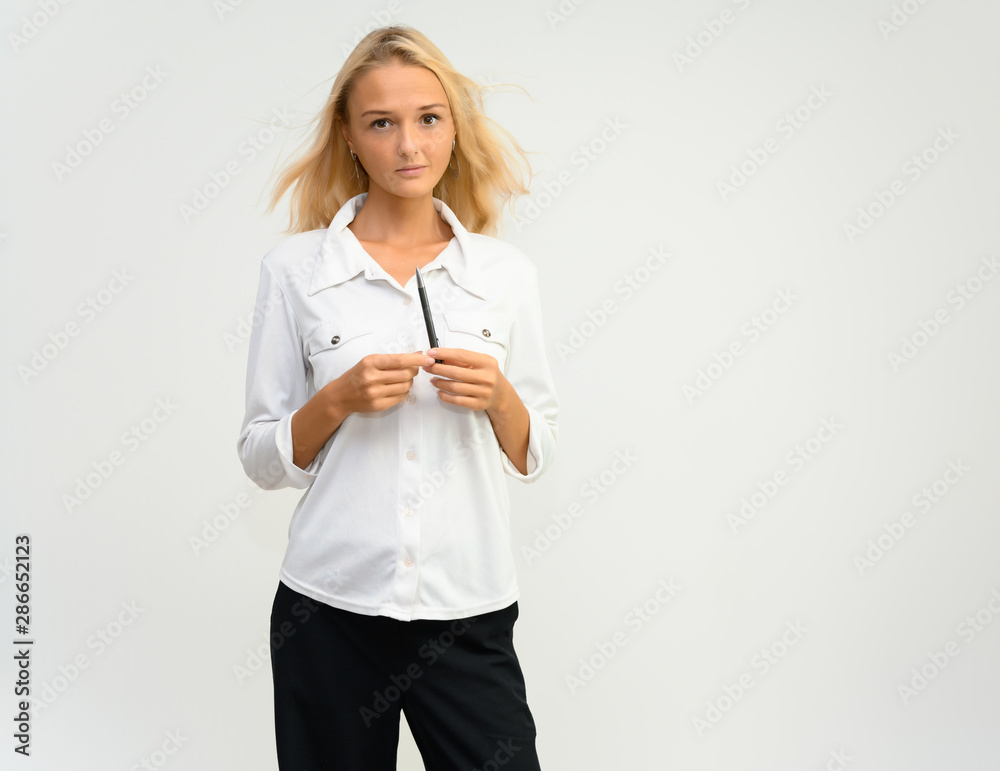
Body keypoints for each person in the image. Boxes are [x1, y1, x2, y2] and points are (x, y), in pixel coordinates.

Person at [235, 24, 559, 771]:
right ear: (349, 137)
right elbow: (259, 454)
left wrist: (499, 395)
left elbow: (535, 451)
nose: (409, 144)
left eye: (428, 118)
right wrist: (336, 400)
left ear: (454, 127)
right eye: (381, 123)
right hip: (328, 610)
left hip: (467, 606)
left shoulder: (504, 274)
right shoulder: (295, 271)